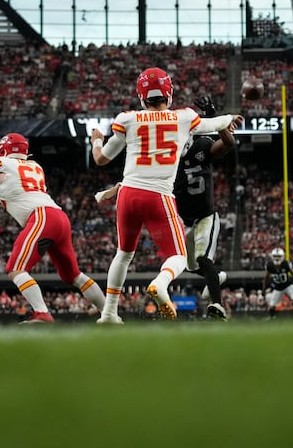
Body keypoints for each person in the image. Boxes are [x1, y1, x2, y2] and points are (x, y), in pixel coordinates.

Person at [90, 66, 243, 323]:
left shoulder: (127, 119)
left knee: (123, 254)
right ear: (168, 95)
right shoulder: (183, 117)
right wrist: (230, 118)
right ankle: (161, 284)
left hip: (128, 193)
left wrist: (96, 138)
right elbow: (213, 124)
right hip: (159, 195)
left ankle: (108, 313)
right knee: (178, 257)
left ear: (141, 97)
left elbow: (101, 158)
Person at [0, 132, 106, 323]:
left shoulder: (1, 164)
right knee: (73, 275)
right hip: (59, 217)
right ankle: (110, 314)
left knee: (15, 268)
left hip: (41, 216)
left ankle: (42, 313)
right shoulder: (35, 166)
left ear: (3, 149)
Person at [173, 94, 237, 321]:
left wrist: (216, 119)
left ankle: (217, 306)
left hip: (205, 216)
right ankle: (216, 277)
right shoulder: (168, 155)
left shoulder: (201, 144)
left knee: (202, 259)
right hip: (184, 218)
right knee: (190, 266)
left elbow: (228, 143)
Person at [263, 247, 293, 319]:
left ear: (282, 257)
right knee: (271, 308)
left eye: (278, 256)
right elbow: (266, 278)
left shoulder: (286, 264)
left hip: (288, 286)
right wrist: (264, 288)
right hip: (277, 288)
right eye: (275, 256)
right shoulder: (270, 265)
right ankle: (273, 318)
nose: (277, 258)